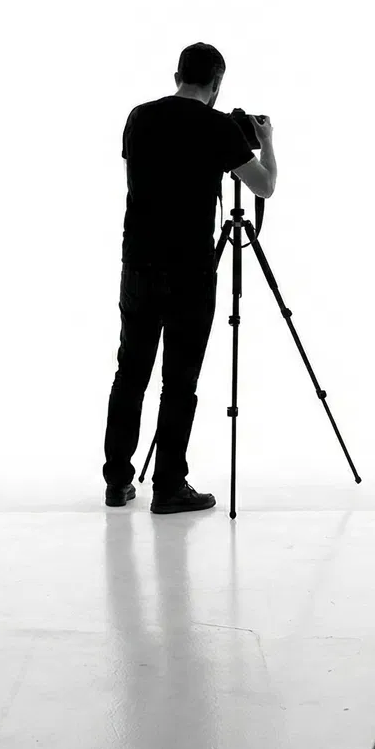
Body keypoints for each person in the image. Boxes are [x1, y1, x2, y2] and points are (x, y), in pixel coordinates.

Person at [103, 43, 278, 513]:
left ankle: (117, 482)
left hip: (137, 264)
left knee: (130, 374)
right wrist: (267, 140)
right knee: (179, 383)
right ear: (217, 84)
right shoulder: (219, 128)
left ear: (177, 74)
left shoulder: (139, 118)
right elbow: (264, 185)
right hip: (190, 273)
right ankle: (168, 487)